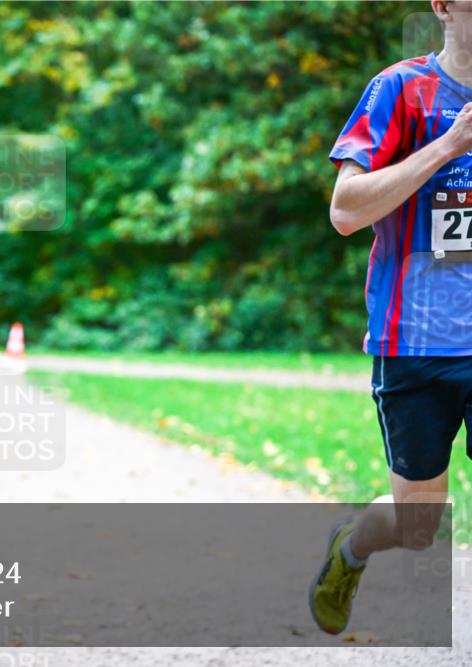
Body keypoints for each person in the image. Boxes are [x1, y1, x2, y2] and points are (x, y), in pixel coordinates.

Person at [309, 0, 472, 635]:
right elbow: (345, 210)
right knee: (419, 526)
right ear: (442, 7)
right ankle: (351, 544)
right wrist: (451, 144)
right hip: (418, 341)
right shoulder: (401, 90)